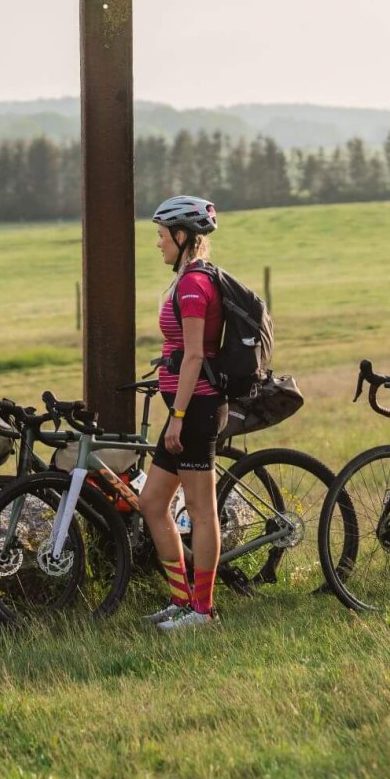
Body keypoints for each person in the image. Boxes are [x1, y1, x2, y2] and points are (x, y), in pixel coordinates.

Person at [140, 195, 226, 630]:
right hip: (184, 407)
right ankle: (181, 598)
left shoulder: (194, 285)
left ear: (182, 236)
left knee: (199, 507)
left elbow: (194, 356)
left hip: (195, 408)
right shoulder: (187, 280)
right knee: (152, 502)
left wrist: (177, 416)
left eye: (161, 236)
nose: (158, 244)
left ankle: (202, 609)